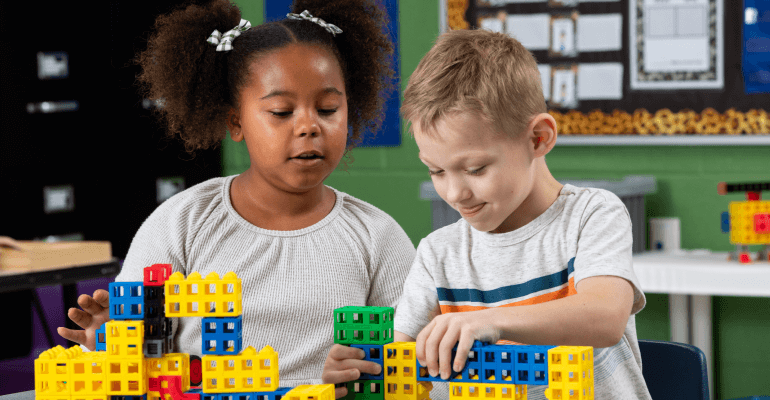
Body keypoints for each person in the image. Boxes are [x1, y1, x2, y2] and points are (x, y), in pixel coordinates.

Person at [56, 0, 413, 389]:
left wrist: (368, 372)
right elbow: (138, 347)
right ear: (236, 122)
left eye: (328, 109)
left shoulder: (378, 236)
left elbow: (413, 355)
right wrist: (109, 342)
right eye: (281, 111)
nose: (309, 126)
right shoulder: (183, 221)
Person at [391, 29, 652, 400]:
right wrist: (362, 369)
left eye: (476, 169)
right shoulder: (438, 254)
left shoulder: (591, 215)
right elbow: (400, 359)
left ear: (538, 138)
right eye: (436, 171)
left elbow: (605, 315)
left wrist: (488, 320)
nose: (454, 192)